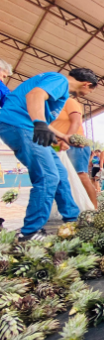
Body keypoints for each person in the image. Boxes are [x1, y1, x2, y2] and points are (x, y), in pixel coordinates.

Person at [0, 68, 97, 241]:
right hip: (20, 126)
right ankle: (30, 232)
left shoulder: (57, 84)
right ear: (87, 84)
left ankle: (72, 219)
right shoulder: (60, 80)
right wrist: (39, 124)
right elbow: (34, 96)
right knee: (47, 176)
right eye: (90, 91)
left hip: (23, 125)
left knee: (60, 173)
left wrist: (63, 136)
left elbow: (40, 119)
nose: (87, 94)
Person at [51, 97, 97, 208]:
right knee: (59, 177)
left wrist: (66, 139)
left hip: (74, 145)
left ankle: (95, 208)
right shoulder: (46, 106)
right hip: (56, 146)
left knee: (81, 175)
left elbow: (76, 122)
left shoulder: (69, 102)